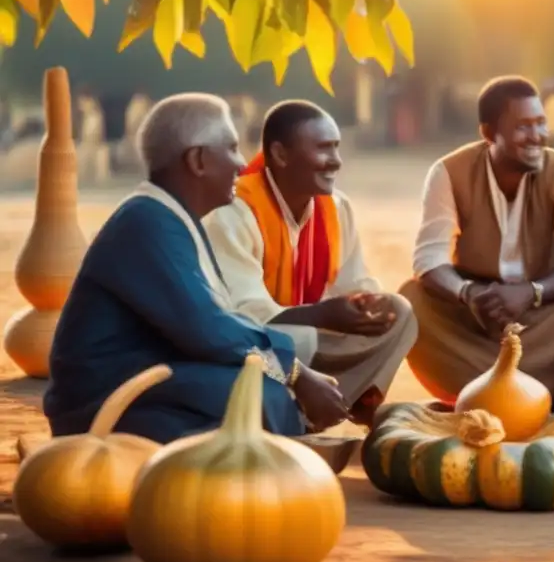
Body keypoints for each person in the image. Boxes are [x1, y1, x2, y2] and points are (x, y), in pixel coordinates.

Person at [44, 94, 354, 468]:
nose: (242, 165)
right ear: (198, 160)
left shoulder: (172, 218)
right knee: (262, 397)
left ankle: (261, 455)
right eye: (233, 148)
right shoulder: (146, 223)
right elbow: (206, 329)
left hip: (149, 383)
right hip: (103, 404)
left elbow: (213, 321)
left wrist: (289, 372)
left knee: (261, 395)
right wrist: (295, 373)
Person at [400, 76, 554, 408]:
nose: (537, 136)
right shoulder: (448, 172)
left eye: (541, 123)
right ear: (488, 133)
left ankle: (527, 393)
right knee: (410, 301)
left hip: (542, 311)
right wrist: (469, 294)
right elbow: (428, 260)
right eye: (522, 127)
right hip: (473, 313)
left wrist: (531, 293)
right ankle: (483, 392)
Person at [204, 101, 416, 424]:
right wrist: (324, 314)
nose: (336, 161)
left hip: (313, 339)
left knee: (399, 313)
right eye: (323, 149)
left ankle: (335, 402)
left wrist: (364, 307)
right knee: (299, 337)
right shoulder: (234, 212)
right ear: (280, 155)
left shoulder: (335, 208)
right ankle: (309, 405)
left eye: (336, 147)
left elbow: (355, 281)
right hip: (254, 347)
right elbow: (244, 317)